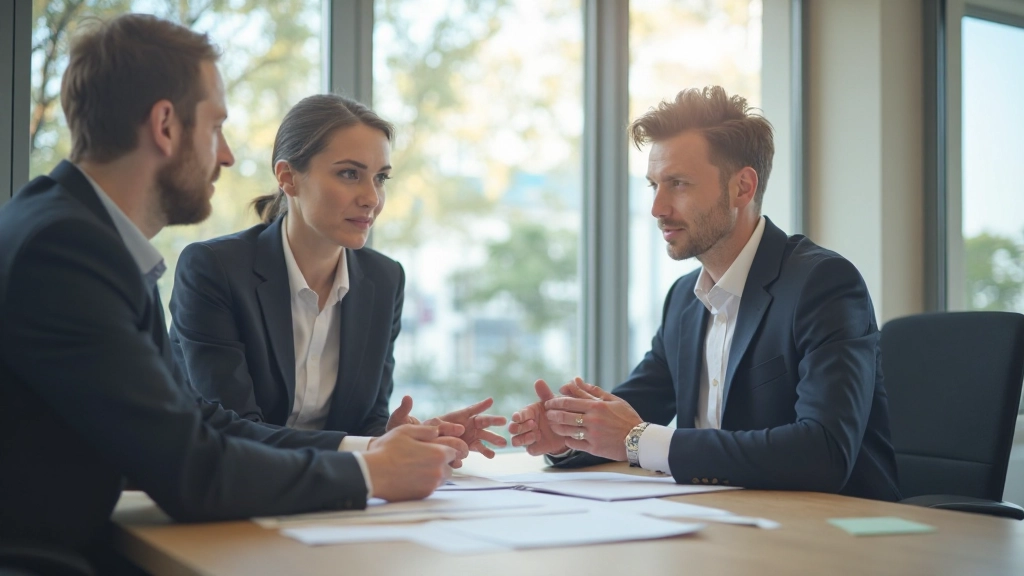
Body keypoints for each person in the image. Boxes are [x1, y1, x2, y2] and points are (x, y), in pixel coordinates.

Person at [0, 14, 467, 557]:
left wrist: (381, 448)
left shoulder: (71, 232)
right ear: (166, 125)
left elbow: (193, 421)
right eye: (216, 126)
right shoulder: (67, 250)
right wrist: (370, 474)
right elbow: (192, 468)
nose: (225, 155)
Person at [508, 86, 901, 501]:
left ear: (741, 188)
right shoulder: (684, 300)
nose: (657, 208)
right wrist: (572, 432)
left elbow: (823, 452)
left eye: (677, 183)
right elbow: (628, 418)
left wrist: (639, 440)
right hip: (720, 524)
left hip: (835, 536)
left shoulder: (822, 285)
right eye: (653, 185)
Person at [168, 94, 506, 458]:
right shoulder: (213, 269)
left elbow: (366, 419)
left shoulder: (384, 279)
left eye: (380, 178)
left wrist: (413, 438)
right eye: (349, 174)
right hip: (225, 491)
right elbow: (231, 432)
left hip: (336, 494)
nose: (371, 198)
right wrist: (374, 447)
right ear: (288, 178)